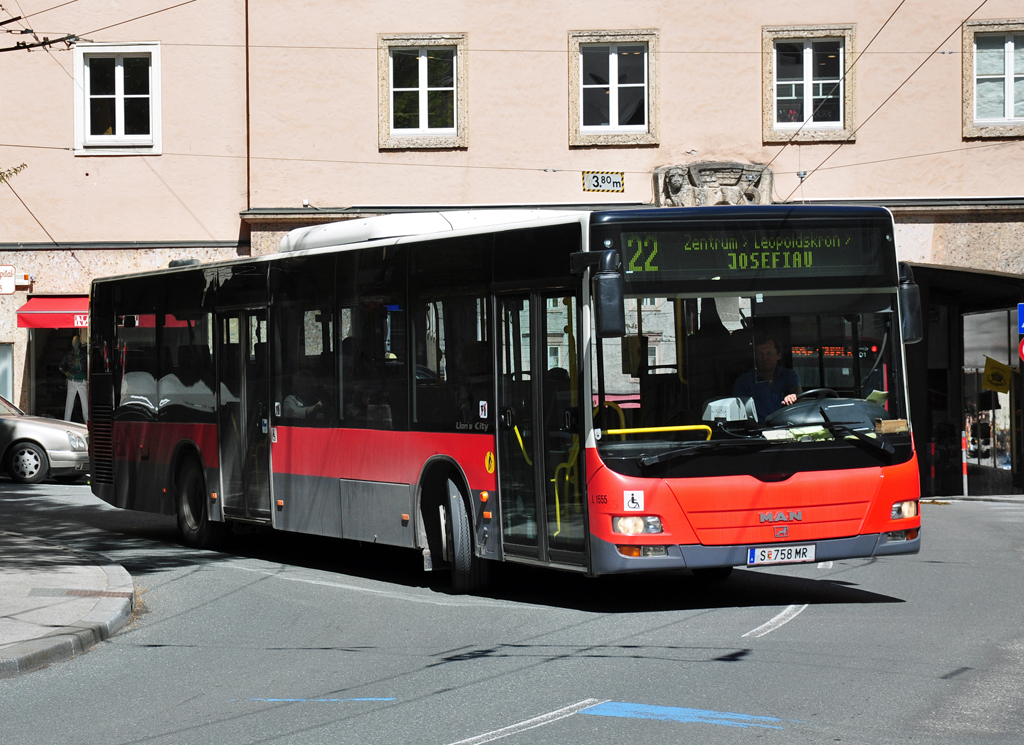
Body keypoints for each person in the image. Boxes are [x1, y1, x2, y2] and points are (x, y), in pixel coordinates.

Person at [733, 335, 802, 420]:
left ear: (779, 355)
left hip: (788, 426)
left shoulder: (789, 375)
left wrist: (793, 396)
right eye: (760, 354)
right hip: (758, 431)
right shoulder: (744, 381)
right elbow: (744, 419)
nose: (765, 358)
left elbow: (797, 393)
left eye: (769, 353)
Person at [59, 335, 88, 422]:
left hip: (82, 381)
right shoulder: (69, 355)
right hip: (72, 381)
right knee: (69, 405)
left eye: (76, 342)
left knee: (85, 406)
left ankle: (87, 424)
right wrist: (67, 373)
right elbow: (60, 366)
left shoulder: (84, 354)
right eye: (74, 342)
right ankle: (66, 423)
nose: (75, 344)